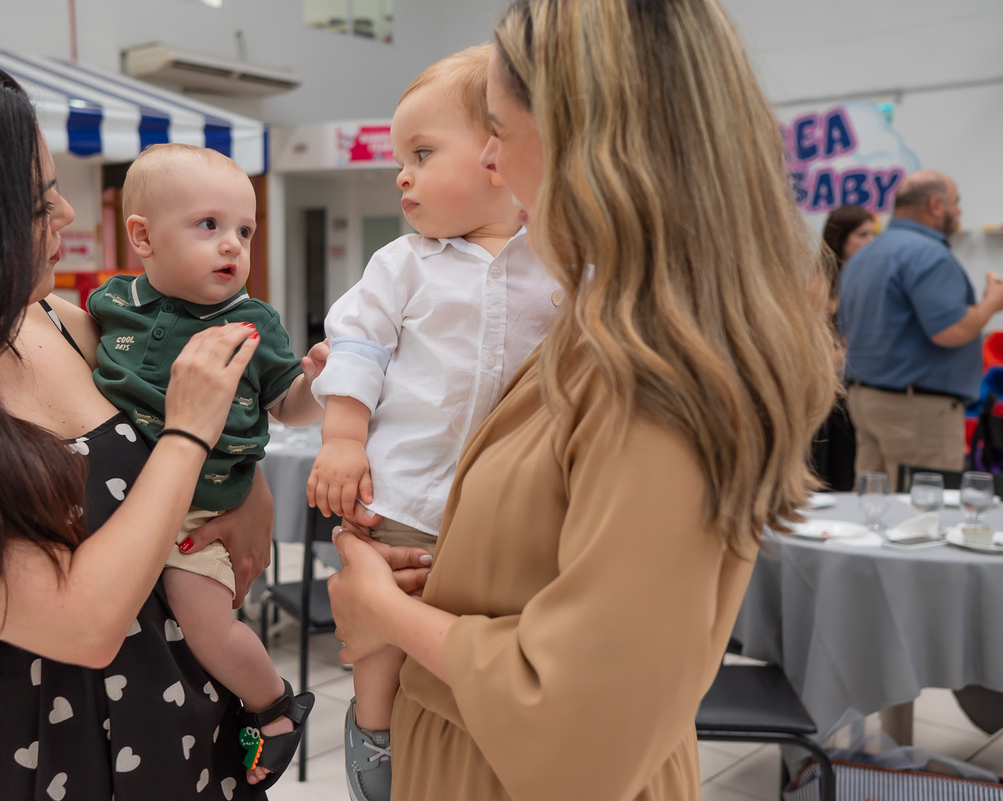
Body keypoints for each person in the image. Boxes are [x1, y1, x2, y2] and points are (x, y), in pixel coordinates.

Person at [0, 56, 397, 800]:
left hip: (179, 708)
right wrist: (189, 437)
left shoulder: (55, 320)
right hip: (25, 748)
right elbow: (83, 622)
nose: (66, 214)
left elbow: (170, 426)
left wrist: (244, 484)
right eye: (38, 202)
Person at [325, 0, 839, 799]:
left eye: (499, 129)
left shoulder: (654, 375)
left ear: (587, 139)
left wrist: (382, 612)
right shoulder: (597, 325)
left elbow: (583, 724)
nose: (488, 159)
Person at [303, 43, 560, 801]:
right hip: (407, 493)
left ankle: (475, 736)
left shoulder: (557, 265)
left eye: (421, 153)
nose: (402, 176)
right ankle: (373, 729)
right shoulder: (403, 263)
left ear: (499, 154)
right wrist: (343, 439)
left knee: (476, 633)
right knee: (382, 621)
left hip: (508, 510)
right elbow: (357, 345)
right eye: (399, 160)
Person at [88, 143, 321, 785]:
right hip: (126, 507)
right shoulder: (111, 304)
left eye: (245, 230)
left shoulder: (252, 323)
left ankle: (275, 707)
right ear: (143, 237)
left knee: (206, 626)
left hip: (201, 511)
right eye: (209, 225)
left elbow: (289, 407)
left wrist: (319, 383)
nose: (232, 246)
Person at [839, 171, 1003, 487]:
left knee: (873, 501)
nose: (959, 211)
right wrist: (993, 303)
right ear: (935, 205)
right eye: (956, 203)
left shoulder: (864, 256)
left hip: (867, 400)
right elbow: (952, 331)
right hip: (918, 411)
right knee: (925, 507)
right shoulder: (929, 255)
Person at [810, 205, 876, 491]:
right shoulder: (821, 282)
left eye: (873, 234)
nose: (870, 241)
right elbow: (813, 337)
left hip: (861, 384)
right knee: (834, 468)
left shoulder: (868, 276)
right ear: (840, 239)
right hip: (831, 389)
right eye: (862, 235)